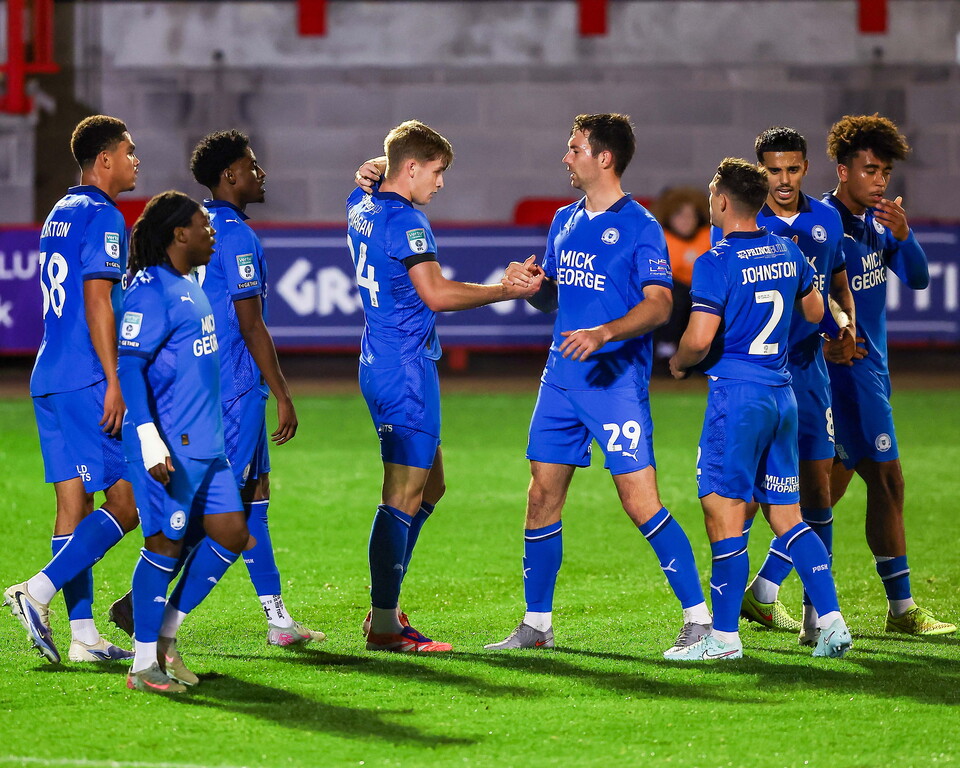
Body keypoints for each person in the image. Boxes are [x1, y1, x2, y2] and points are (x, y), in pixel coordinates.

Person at [484, 114, 711, 654]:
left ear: (603, 158)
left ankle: (699, 622)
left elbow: (660, 304)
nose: (566, 157)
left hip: (614, 385)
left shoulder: (640, 226)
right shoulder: (564, 219)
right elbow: (556, 297)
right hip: (560, 381)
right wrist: (532, 287)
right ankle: (536, 625)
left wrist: (606, 331)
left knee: (640, 502)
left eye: (574, 148)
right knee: (541, 495)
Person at [348, 120, 541, 652]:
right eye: (436, 173)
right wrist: (506, 289)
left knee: (430, 488)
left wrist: (368, 171)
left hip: (383, 360)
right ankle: (385, 622)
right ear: (410, 167)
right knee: (403, 494)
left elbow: (366, 178)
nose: (439, 184)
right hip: (404, 371)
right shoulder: (407, 221)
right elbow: (434, 293)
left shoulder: (360, 206)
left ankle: (383, 608)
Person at [666, 157, 852, 661]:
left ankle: (723, 641)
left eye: (711, 193)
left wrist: (680, 363)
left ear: (724, 201)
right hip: (783, 393)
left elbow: (699, 338)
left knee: (723, 514)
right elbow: (816, 314)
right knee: (789, 517)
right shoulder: (790, 253)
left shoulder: (716, 259)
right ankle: (831, 621)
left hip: (738, 397)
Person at [4, 115, 140, 665]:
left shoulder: (60, 212)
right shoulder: (106, 215)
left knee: (72, 504)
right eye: (129, 152)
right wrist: (114, 379)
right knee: (131, 498)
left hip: (47, 375)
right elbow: (98, 301)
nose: (136, 162)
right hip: (85, 377)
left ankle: (83, 636)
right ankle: (36, 591)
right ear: (103, 160)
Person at [183, 129, 324, 646]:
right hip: (234, 388)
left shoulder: (194, 224)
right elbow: (251, 325)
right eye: (251, 166)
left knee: (256, 497)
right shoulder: (236, 236)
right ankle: (156, 612)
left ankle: (277, 620)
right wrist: (283, 393)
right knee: (230, 510)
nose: (260, 174)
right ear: (229, 176)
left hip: (207, 380)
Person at [822, 115, 955, 636]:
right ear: (842, 170)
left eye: (884, 172)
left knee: (826, 487)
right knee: (888, 481)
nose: (879, 181)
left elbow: (919, 279)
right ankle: (902, 609)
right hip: (848, 373)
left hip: (872, 372)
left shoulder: (880, 225)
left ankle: (763, 590)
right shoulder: (823, 224)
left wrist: (905, 235)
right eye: (870, 170)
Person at [119, 191, 250, 693]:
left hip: (206, 444)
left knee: (231, 534)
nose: (211, 231)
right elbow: (129, 365)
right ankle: (142, 665)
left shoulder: (189, 283)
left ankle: (165, 637)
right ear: (179, 234)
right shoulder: (150, 290)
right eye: (202, 224)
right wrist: (150, 438)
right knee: (163, 545)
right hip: (169, 446)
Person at [738, 126, 859, 645]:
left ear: (805, 167)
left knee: (817, 490)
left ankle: (815, 617)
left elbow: (837, 285)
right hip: (755, 376)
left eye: (791, 169)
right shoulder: (745, 219)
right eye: (772, 170)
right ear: (759, 169)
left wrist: (846, 328)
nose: (782, 180)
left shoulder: (827, 220)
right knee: (737, 497)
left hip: (809, 375)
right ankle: (719, 614)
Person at [651, 186, 711, 370]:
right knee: (675, 295)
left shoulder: (707, 236)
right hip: (673, 294)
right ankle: (665, 349)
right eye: (680, 215)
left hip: (701, 293)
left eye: (690, 215)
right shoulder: (662, 238)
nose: (686, 221)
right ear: (670, 216)